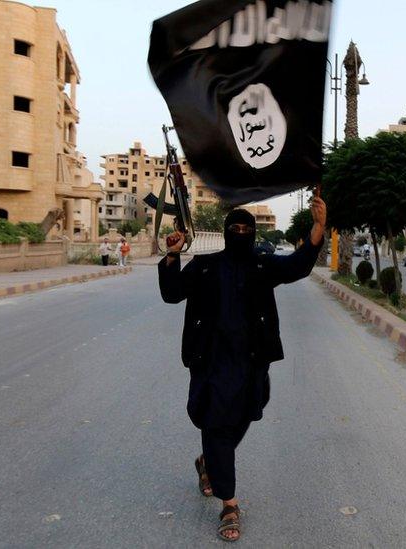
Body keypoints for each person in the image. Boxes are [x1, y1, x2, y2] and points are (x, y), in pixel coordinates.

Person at [158, 190, 327, 542]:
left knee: (248, 412)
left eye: (244, 229)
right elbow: (172, 293)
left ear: (251, 234)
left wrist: (318, 226)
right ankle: (230, 504)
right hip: (212, 363)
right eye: (233, 228)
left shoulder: (263, 266)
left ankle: (209, 462)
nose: (239, 233)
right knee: (217, 425)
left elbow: (298, 265)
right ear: (225, 231)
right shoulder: (205, 266)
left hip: (252, 363)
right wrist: (172, 255)